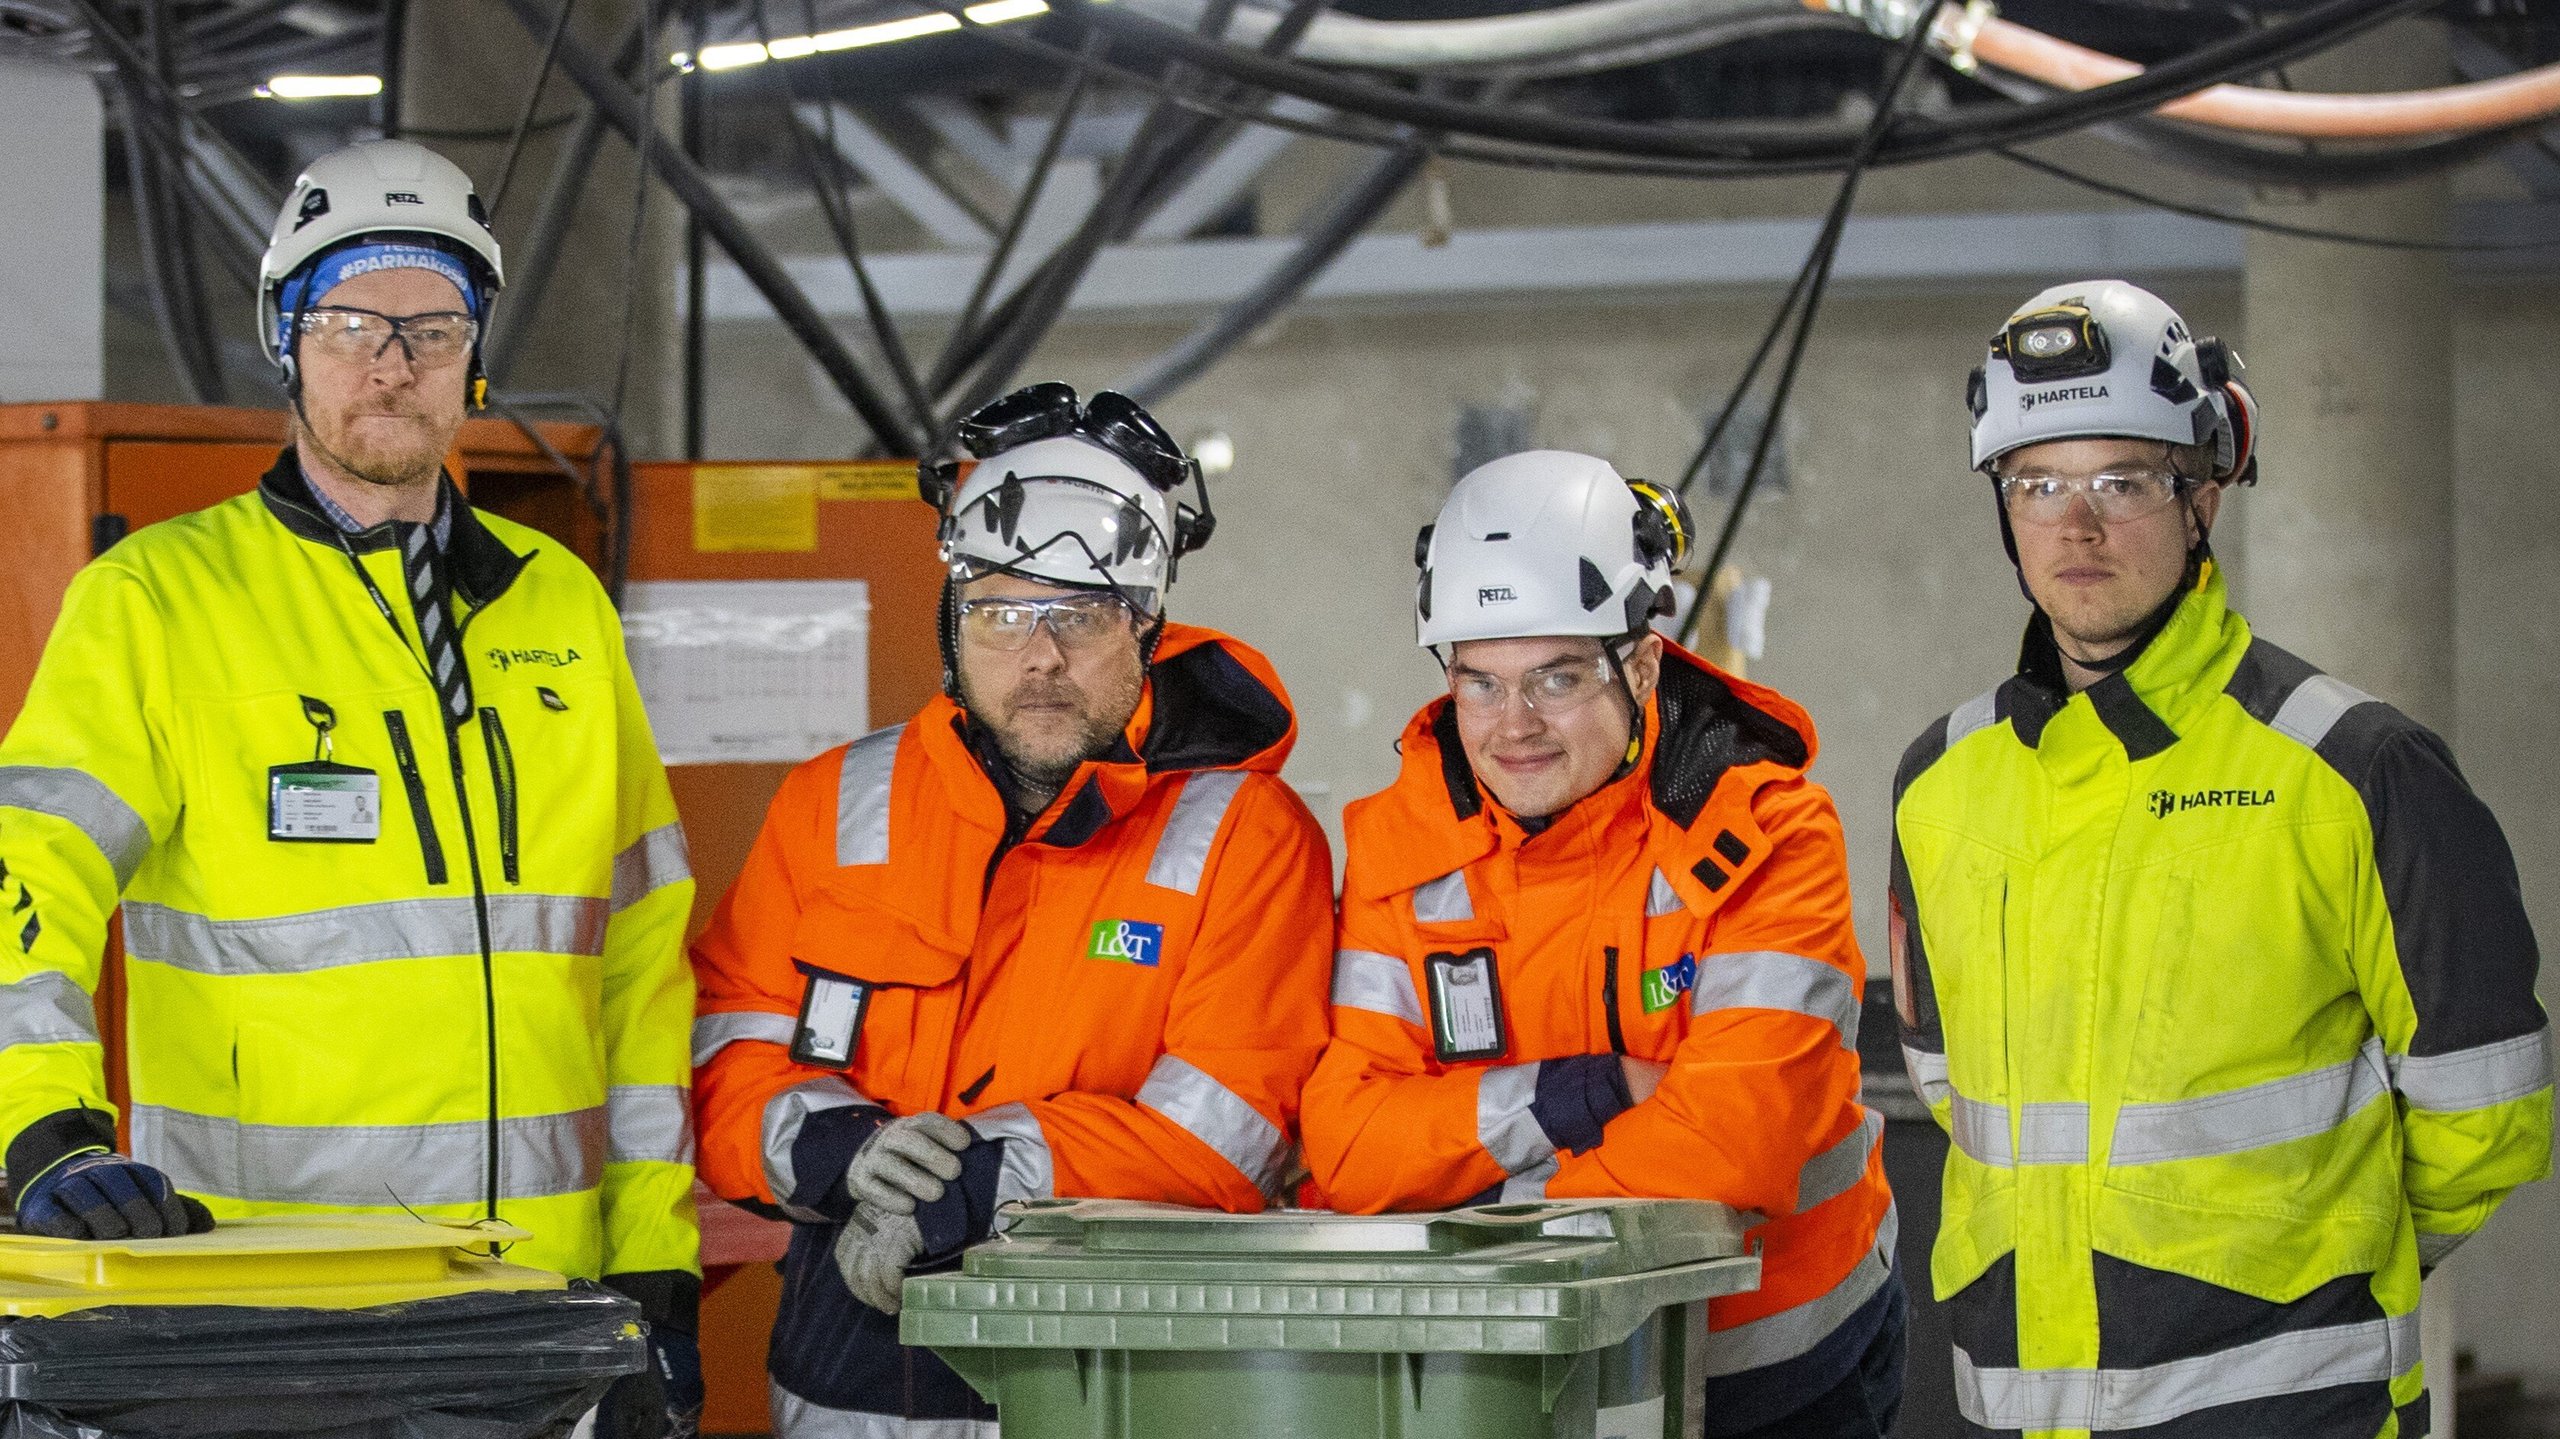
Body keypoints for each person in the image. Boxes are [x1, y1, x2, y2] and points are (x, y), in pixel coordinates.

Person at [0, 140, 702, 1436]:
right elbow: (21, 886)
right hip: (265, 1308)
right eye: (348, 322)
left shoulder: (557, 605)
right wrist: (45, 1133)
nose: (393, 360)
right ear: (287, 340)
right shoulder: (156, 604)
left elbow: (643, 954)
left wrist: (655, 1241)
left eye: (433, 324)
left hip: (530, 1306)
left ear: (475, 353)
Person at [1892, 279, 2552, 1437]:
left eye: (2123, 480)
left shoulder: (2359, 772)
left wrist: (2311, 1255)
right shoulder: (1939, 781)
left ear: (2204, 492)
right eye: (2036, 481)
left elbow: (2484, 1113)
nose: (2075, 524)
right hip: (2010, 1406)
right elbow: (1952, 1088)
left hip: (2285, 1408)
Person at [689, 383, 1335, 1437]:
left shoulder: (1247, 835)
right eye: (1000, 610)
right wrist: (840, 1148)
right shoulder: (833, 800)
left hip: (1113, 1384)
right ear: (953, 619)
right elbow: (728, 1043)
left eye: (1079, 615)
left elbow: (1236, 1123)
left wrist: (974, 1178)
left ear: (1146, 626)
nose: (1040, 657)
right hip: (841, 1382)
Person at [1300, 451, 1903, 1439]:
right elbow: (1350, 1145)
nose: (1513, 726)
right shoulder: (1400, 849)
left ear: (1644, 662)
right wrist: (1580, 1091)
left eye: (1557, 676)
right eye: (1479, 682)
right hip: (1524, 1378)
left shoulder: (1768, 830)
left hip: (1773, 1369)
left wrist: (1472, 1193)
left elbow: (1729, 1141)